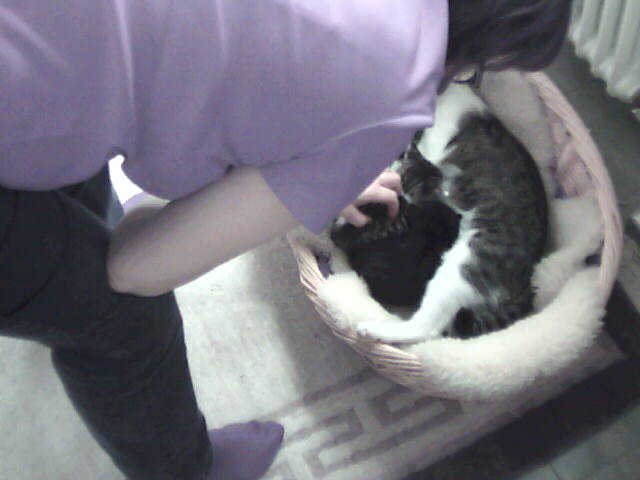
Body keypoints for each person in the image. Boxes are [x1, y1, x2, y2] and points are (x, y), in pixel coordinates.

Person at [0, 0, 571, 478]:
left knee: (75, 154)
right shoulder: (396, 95)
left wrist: (307, 173)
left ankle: (63, 240)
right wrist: (277, 190)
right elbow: (133, 267)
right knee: (123, 316)